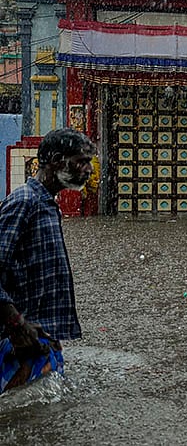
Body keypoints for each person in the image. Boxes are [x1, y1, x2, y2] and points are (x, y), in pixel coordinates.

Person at [0, 128, 97, 393]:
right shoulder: (24, 203)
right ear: (55, 160)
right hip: (18, 341)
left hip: (40, 338)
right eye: (81, 161)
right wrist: (18, 325)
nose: (88, 170)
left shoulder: (47, 205)